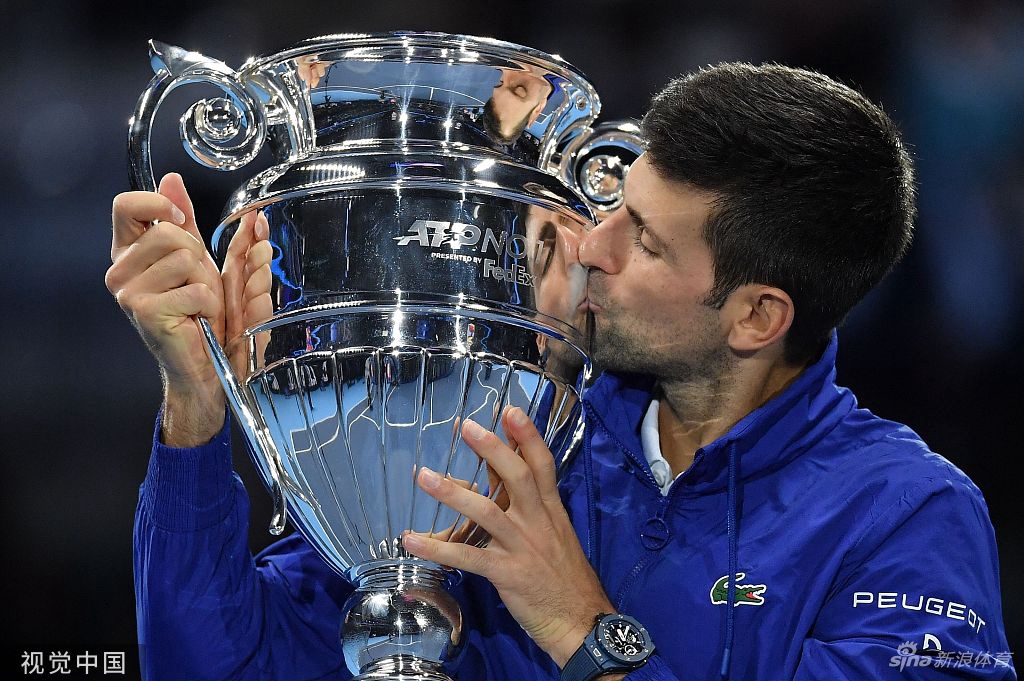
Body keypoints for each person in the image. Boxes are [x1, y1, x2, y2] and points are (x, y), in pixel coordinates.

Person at [107, 63, 1016, 680]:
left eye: (645, 242)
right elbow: (217, 663)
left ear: (756, 317)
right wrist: (196, 406)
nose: (591, 244)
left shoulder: (904, 514)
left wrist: (583, 629)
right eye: (617, 202)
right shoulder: (509, 427)